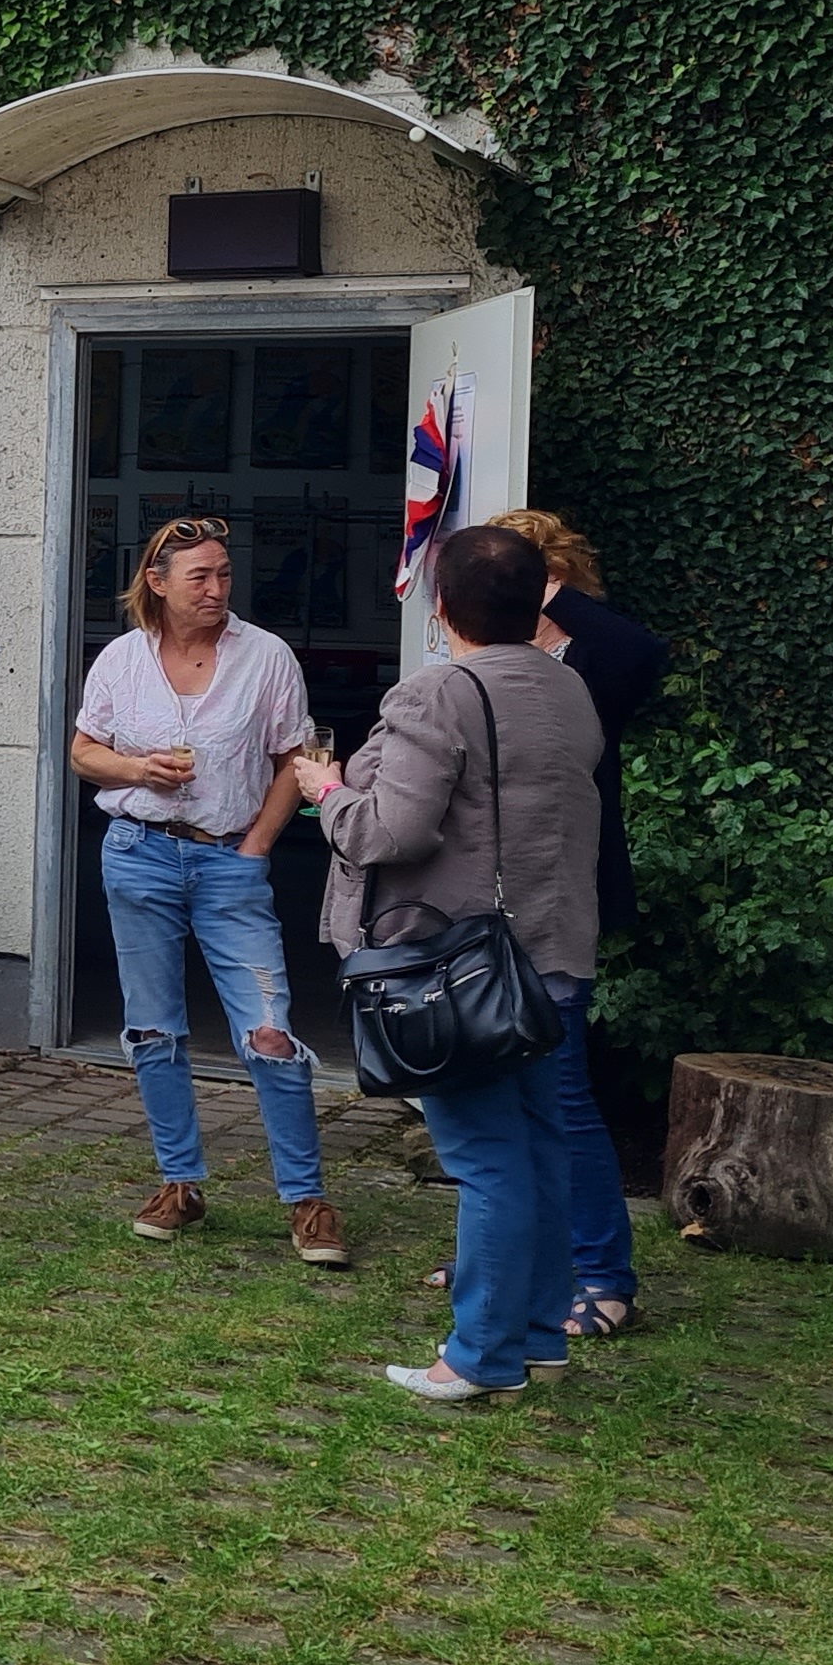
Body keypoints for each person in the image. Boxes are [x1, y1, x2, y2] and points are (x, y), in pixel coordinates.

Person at [299, 523, 607, 1404]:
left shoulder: (436, 693)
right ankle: (537, 1335)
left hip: (460, 969)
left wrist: (328, 792)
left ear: (440, 607)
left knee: (486, 1160)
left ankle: (479, 1357)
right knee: (538, 1146)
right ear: (537, 600)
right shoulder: (568, 687)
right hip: (549, 955)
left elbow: (390, 831)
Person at [67, 514, 345, 1268]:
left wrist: (256, 846)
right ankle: (180, 1182)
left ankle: (306, 1198)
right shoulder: (121, 659)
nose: (217, 588)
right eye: (201, 577)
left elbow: (294, 760)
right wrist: (138, 770)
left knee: (269, 1031)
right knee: (152, 1028)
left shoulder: (266, 656)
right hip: (138, 852)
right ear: (157, 583)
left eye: (224, 574)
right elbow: (84, 751)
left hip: (229, 860)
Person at [486, 506, 673, 1341]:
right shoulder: (494, 654)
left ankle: (603, 1275)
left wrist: (549, 592)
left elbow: (643, 651)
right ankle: (513, 1254)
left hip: (559, 893)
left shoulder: (592, 657)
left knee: (559, 1089)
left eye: (522, 571)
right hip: (485, 896)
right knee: (493, 1088)